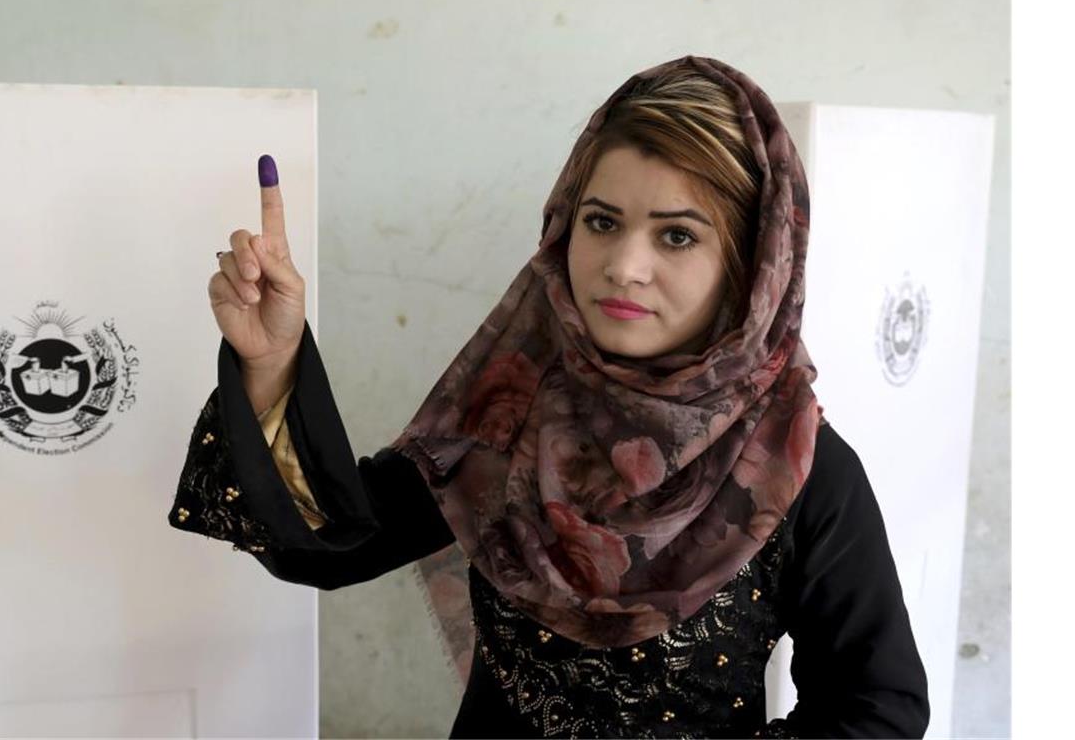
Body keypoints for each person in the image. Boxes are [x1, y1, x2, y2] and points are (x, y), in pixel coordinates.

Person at [169, 55, 930, 739]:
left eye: (676, 236)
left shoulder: (799, 470)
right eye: (601, 222)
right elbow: (333, 542)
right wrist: (270, 362)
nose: (623, 265)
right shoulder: (505, 420)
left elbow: (876, 705)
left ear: (752, 264)